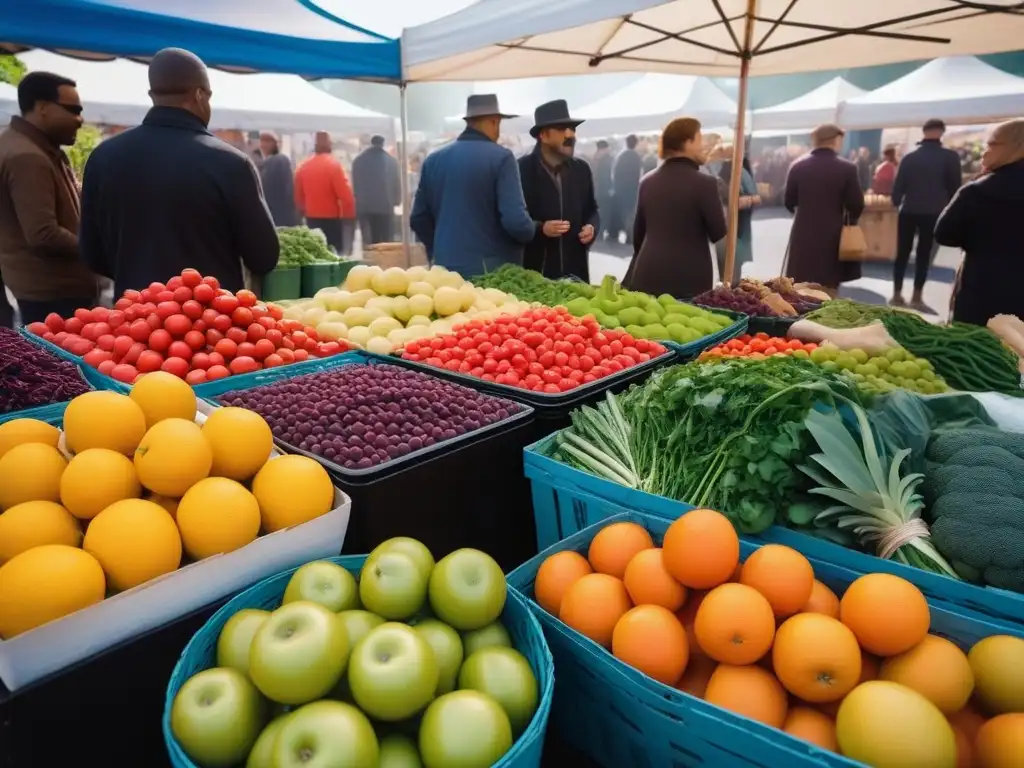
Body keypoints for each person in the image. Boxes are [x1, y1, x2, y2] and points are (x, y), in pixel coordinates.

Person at [79, 48, 278, 297]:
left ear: (152, 94)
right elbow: (263, 257)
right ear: (199, 95)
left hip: (134, 320)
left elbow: (92, 254)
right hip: (212, 323)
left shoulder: (103, 158)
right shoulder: (231, 164)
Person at [0, 71, 98, 323]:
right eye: (72, 109)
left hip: (52, 293)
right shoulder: (27, 157)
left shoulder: (31, 147)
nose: (79, 120)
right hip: (53, 300)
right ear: (42, 107)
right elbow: (43, 234)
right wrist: (101, 249)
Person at [410, 94, 536, 276]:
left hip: (444, 271)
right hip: (491, 274)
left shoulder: (433, 160)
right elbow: (515, 221)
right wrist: (532, 230)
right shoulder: (502, 158)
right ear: (494, 122)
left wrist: (438, 247)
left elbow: (418, 218)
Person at [623, 117, 726, 299]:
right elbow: (718, 232)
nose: (703, 146)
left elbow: (638, 235)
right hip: (688, 277)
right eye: (700, 140)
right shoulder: (706, 184)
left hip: (648, 272)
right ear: (687, 142)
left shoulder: (647, 181)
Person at [935, 119, 1024, 327]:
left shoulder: (978, 190)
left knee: (976, 351)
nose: (984, 151)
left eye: (991, 144)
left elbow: (944, 234)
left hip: (982, 287)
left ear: (1013, 147)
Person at [518, 100, 599, 281]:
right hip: (536, 275)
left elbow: (592, 210)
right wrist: (540, 228)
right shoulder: (520, 170)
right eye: (562, 128)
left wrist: (591, 227)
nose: (571, 134)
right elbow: (512, 220)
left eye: (573, 129)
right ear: (544, 135)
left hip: (576, 274)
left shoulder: (581, 169)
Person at [783, 123, 864, 294]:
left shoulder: (797, 166)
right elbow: (856, 204)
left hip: (802, 234)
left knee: (799, 288)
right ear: (836, 140)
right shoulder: (847, 168)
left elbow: (789, 201)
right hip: (832, 235)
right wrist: (848, 220)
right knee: (827, 288)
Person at [890, 119, 962, 308]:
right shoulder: (950, 157)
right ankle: (916, 296)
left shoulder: (909, 157)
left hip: (908, 210)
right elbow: (955, 188)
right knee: (924, 254)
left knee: (902, 253)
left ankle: (896, 294)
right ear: (941, 132)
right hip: (934, 211)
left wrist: (898, 203)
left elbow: (897, 190)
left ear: (924, 131)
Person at [294, 131, 356, 255]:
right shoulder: (334, 166)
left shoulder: (303, 167)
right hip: (332, 220)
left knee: (316, 254)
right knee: (333, 254)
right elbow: (346, 196)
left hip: (311, 219)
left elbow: (298, 197)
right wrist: (349, 217)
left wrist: (301, 214)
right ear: (329, 145)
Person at [717, 154, 760, 284]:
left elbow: (755, 197)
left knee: (731, 272)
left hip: (734, 226)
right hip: (721, 227)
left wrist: (745, 200)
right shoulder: (708, 167)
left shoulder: (738, 169)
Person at [351, 135, 400, 246]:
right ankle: (385, 262)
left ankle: (371, 261)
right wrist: (396, 201)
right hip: (386, 208)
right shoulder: (392, 161)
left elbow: (356, 185)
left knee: (370, 243)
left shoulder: (358, 160)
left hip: (365, 208)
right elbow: (397, 183)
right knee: (386, 242)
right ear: (382, 144)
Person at [257, 131, 298, 227]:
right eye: (262, 142)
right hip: (277, 211)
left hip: (277, 211)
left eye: (267, 142)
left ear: (275, 144)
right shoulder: (278, 160)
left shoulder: (278, 160)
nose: (263, 145)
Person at [612, 134, 643, 244]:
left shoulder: (621, 155)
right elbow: (638, 174)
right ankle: (630, 236)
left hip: (622, 188)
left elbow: (615, 173)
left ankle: (627, 234)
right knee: (630, 213)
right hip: (632, 188)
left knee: (625, 212)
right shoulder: (635, 156)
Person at [590, 140, 614, 240]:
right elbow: (606, 176)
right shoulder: (607, 159)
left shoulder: (595, 158)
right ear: (605, 148)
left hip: (595, 190)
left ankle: (597, 232)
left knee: (598, 212)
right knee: (604, 212)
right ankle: (600, 232)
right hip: (604, 191)